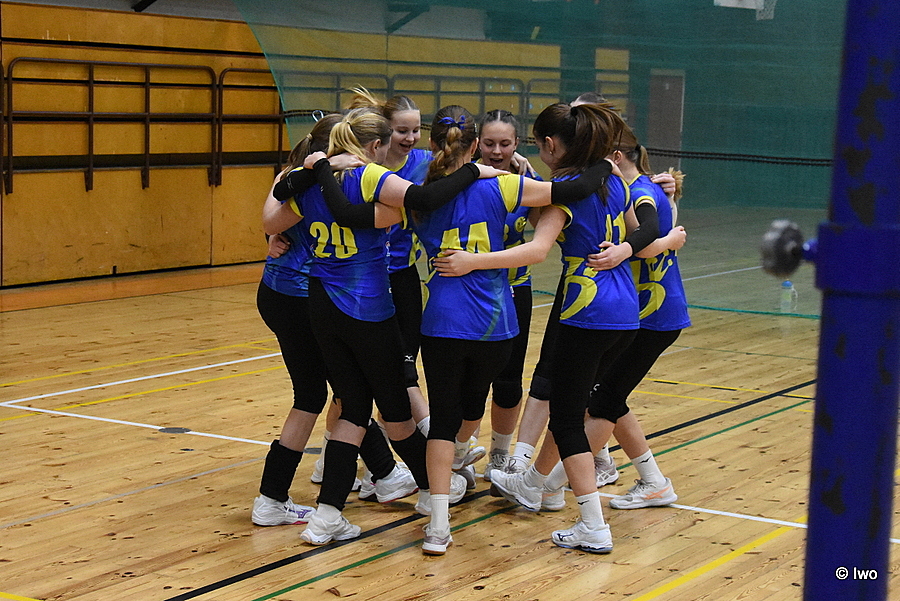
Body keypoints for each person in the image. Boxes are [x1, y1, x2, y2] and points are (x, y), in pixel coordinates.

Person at [267, 107, 504, 545]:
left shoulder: (313, 184)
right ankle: (429, 485)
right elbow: (422, 201)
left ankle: (328, 515)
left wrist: (281, 227)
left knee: (354, 407)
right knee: (391, 405)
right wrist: (472, 172)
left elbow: (273, 221)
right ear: (375, 145)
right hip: (367, 307)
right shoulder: (371, 177)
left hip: (321, 304)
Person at [434, 102, 658, 553]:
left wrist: (474, 261)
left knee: (568, 419)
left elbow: (537, 250)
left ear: (551, 145)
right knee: (576, 406)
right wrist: (623, 249)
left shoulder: (565, 192)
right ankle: (540, 485)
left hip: (587, 308)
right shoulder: (614, 180)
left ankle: (590, 522)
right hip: (625, 310)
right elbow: (644, 233)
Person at [252, 115, 415, 526]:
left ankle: (278, 495)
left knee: (321, 394)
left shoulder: (293, 175)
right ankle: (383, 474)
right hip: (311, 297)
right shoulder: (335, 183)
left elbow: (270, 221)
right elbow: (275, 223)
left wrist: (273, 236)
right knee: (347, 392)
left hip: (277, 293)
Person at [579, 131, 688, 511]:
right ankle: (651, 480)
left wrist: (654, 243)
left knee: (604, 400)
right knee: (608, 395)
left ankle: (547, 481)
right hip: (636, 311)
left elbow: (647, 239)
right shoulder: (632, 190)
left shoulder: (641, 191)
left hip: (654, 313)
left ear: (615, 155)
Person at [475, 109, 543, 482]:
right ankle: (461, 450)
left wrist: (531, 182)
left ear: (517, 144)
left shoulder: (526, 184)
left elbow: (544, 224)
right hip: (471, 291)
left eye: (505, 143)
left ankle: (499, 454)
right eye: (489, 143)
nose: (497, 151)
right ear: (477, 143)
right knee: (469, 377)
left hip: (515, 289)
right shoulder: (463, 179)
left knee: (508, 378)